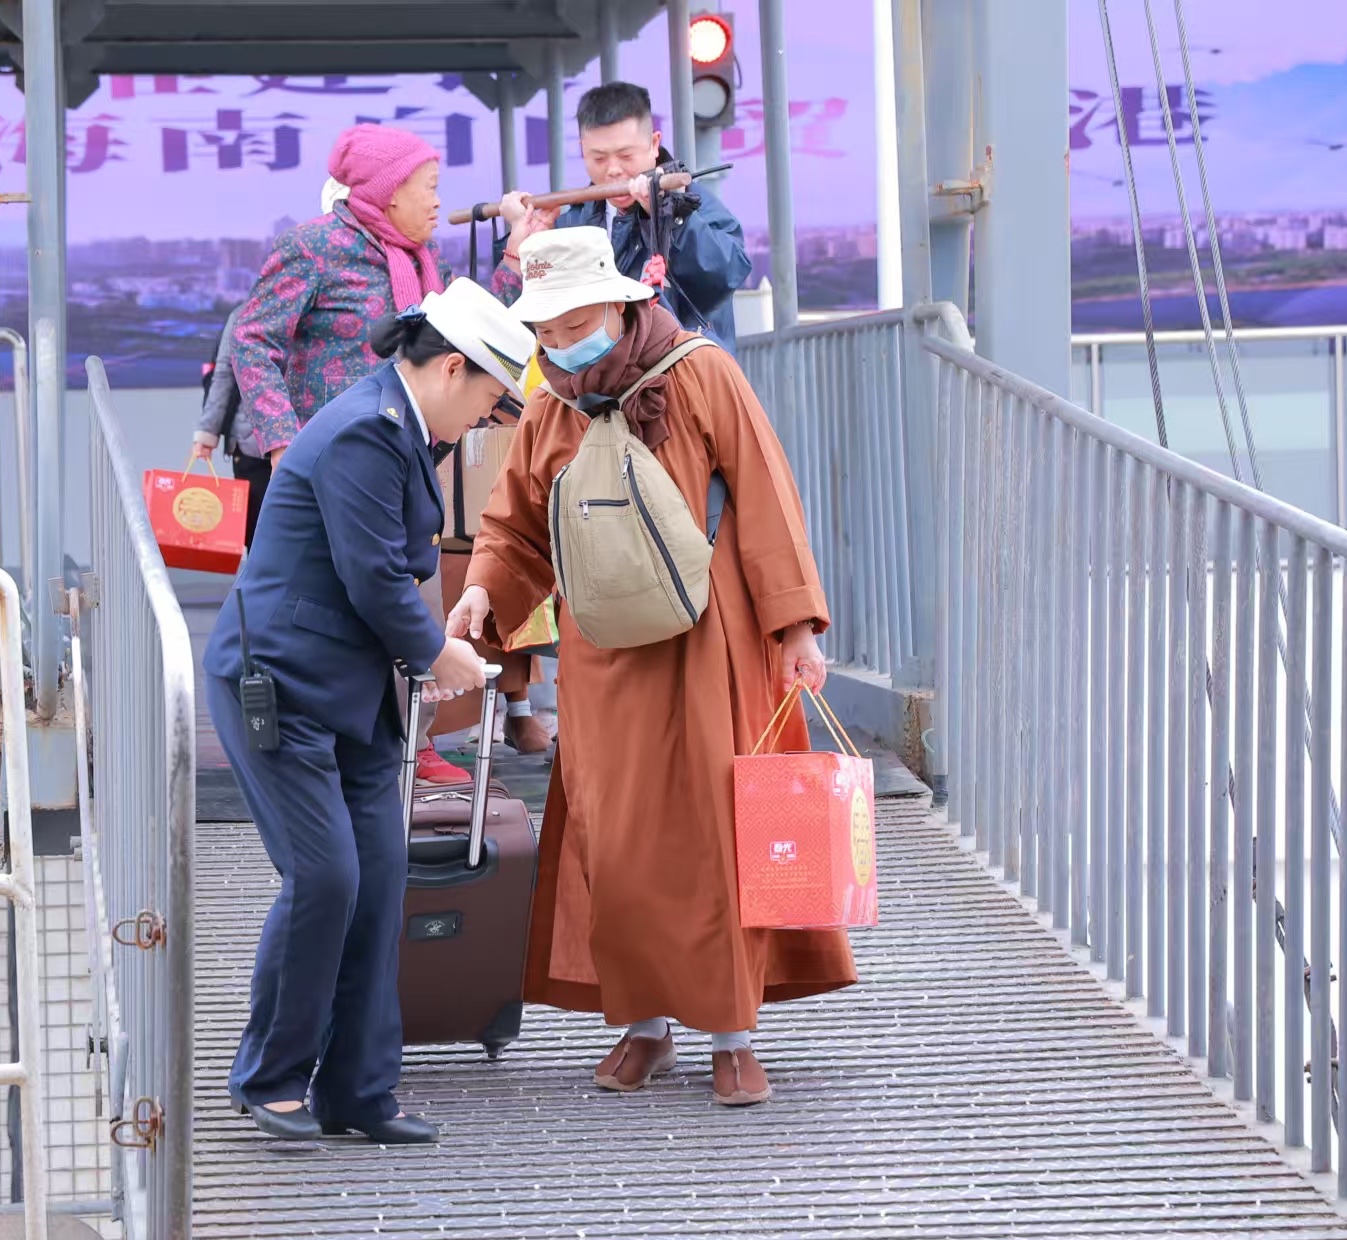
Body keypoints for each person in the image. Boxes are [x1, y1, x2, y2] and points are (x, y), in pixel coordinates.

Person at [449, 227, 856, 1108]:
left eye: (573, 324)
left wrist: (796, 628)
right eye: (545, 330)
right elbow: (514, 525)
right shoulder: (549, 406)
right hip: (604, 651)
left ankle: (733, 1034)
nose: (559, 343)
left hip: (714, 638)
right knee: (617, 839)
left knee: (718, 833)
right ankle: (643, 1026)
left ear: (618, 304)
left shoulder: (702, 371)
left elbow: (766, 496)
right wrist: (483, 591)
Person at [202, 278, 537, 1145]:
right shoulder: (367, 430)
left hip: (347, 688)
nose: (488, 417)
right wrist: (438, 654)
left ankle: (358, 1088)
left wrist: (431, 647)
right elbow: (374, 576)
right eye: (491, 398)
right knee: (326, 877)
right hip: (280, 681)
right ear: (453, 368)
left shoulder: (397, 424)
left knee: (379, 876)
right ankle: (272, 1076)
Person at [192, 123, 546, 783]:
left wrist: (514, 254)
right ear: (388, 191)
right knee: (338, 603)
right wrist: (282, 439)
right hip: (332, 463)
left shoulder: (421, 259)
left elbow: (472, 345)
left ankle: (414, 742)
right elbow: (251, 341)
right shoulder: (312, 247)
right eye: (428, 188)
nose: (438, 202)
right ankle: (322, 739)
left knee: (411, 592)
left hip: (409, 455)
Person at [498, 81, 752, 354]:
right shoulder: (570, 223)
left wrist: (670, 217)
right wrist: (521, 252)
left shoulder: (691, 202)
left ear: (654, 144)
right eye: (599, 158)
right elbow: (516, 326)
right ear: (582, 150)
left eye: (626, 155)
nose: (613, 170)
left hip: (683, 373)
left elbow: (725, 277)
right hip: (594, 379)